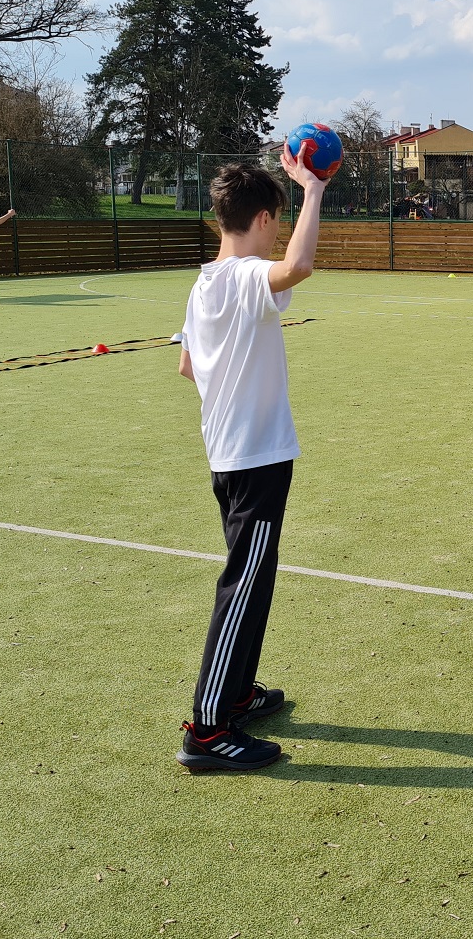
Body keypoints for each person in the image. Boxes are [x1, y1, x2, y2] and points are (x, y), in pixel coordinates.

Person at [174, 150, 326, 772]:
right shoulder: (243, 278)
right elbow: (301, 265)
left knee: (253, 581)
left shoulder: (205, 283)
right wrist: (312, 190)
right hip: (254, 458)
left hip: (229, 454)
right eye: (279, 218)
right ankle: (207, 730)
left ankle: (235, 693)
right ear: (264, 219)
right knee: (242, 585)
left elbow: (187, 367)